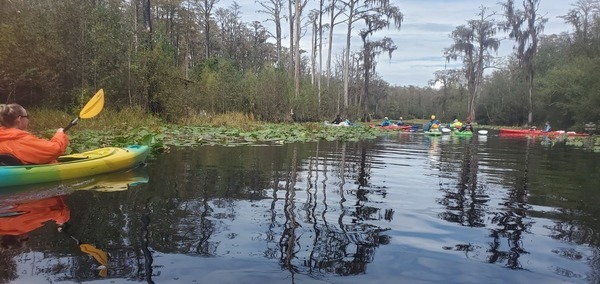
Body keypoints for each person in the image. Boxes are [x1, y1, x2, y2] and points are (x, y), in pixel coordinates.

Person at [0, 103, 69, 164]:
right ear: (19, 119)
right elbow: (55, 150)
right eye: (27, 116)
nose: (28, 119)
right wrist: (60, 134)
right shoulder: (23, 140)